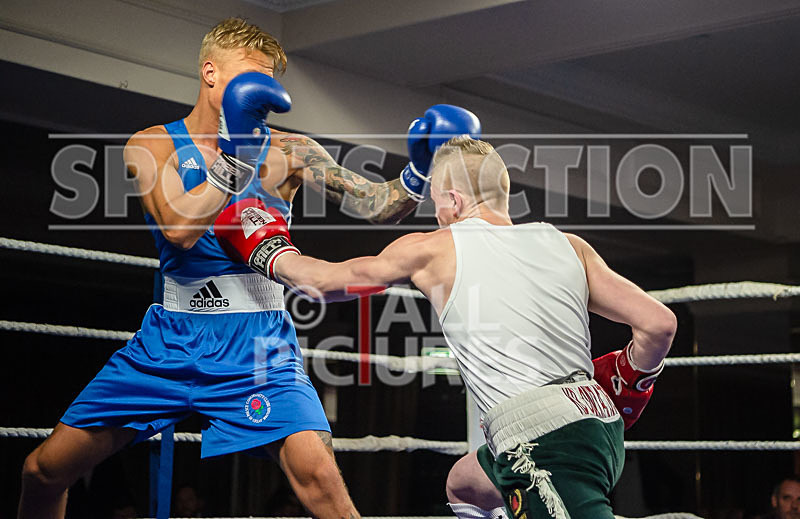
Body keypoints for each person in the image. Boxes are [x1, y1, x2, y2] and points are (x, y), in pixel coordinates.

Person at [18, 17, 480, 519]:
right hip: (169, 339)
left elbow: (375, 205)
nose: (259, 94)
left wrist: (417, 171)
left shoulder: (290, 150)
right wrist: (233, 156)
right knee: (42, 471)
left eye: (266, 82)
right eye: (248, 77)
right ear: (210, 73)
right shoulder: (152, 145)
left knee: (321, 482)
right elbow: (179, 230)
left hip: (257, 342)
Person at [214, 136, 677, 518]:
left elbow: (325, 284)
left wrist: (264, 246)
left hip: (541, 442)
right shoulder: (569, 245)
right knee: (464, 484)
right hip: (599, 422)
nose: (437, 215)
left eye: (437, 203)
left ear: (453, 200)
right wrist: (631, 381)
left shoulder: (433, 247)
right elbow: (659, 324)